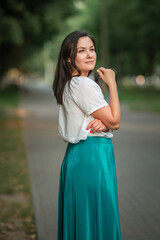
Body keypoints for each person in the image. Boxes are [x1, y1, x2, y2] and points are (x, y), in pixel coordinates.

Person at [53, 30, 121, 240]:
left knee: (83, 220)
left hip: (78, 156)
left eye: (91, 49)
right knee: (97, 220)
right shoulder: (83, 84)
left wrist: (105, 123)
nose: (90, 55)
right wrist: (112, 84)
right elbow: (116, 121)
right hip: (92, 158)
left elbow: (105, 121)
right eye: (81, 51)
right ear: (68, 58)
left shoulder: (70, 84)